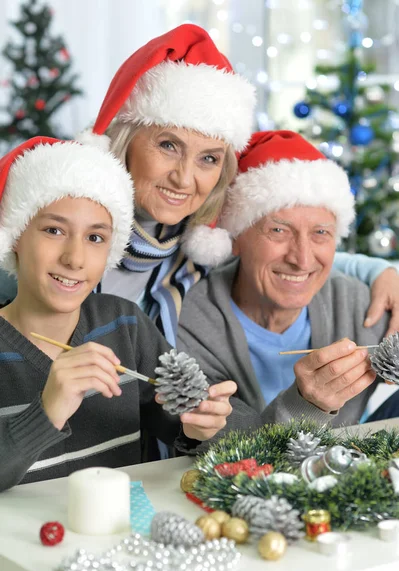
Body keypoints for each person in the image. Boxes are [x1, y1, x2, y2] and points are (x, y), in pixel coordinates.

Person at [0, 24, 397, 345]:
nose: (185, 178)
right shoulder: (57, 225)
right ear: (125, 142)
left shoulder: (197, 241)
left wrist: (380, 272)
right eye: (168, 145)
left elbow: (292, 254)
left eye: (208, 158)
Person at [0, 136, 250, 493]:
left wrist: (201, 426)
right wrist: (47, 411)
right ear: (15, 237)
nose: (75, 259)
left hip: (121, 539)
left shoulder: (123, 324)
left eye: (96, 238)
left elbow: (195, 430)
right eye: (54, 230)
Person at [177, 130, 398, 427]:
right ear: (236, 237)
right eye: (278, 231)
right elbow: (226, 452)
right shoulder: (191, 322)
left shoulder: (362, 305)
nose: (302, 260)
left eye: (321, 233)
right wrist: (306, 405)